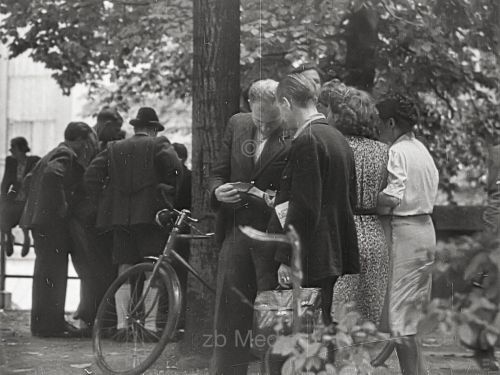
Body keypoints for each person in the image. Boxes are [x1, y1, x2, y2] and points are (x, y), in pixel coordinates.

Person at [209, 79, 294, 375]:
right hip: (236, 231)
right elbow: (218, 172)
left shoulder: (296, 134)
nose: (266, 127)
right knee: (230, 313)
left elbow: (294, 192)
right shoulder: (237, 124)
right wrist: (217, 192)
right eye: (261, 121)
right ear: (249, 109)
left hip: (273, 237)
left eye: (272, 122)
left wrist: (270, 198)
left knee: (275, 318)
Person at [85, 107, 182, 341]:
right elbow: (177, 171)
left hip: (119, 219)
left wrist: (106, 202)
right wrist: (167, 195)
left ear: (135, 127)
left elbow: (91, 176)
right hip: (150, 218)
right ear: (152, 129)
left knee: (124, 268)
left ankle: (122, 325)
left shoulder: (114, 148)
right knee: (153, 269)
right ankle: (149, 326)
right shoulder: (158, 145)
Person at [269, 73, 359, 326]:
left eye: (280, 108)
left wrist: (287, 258)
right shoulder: (337, 138)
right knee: (322, 329)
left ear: (286, 103)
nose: (281, 116)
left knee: (302, 334)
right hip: (332, 251)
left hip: (310, 254)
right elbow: (349, 199)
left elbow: (305, 207)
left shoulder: (307, 140)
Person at [374, 95, 439, 375]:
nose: (378, 129)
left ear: (390, 122)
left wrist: (366, 200)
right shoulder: (421, 148)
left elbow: (393, 196)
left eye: (380, 124)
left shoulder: (398, 151)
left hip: (407, 232)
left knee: (401, 317)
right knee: (410, 315)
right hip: (426, 229)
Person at [20, 122, 98, 337]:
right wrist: (61, 204)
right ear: (81, 140)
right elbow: (53, 175)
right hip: (52, 224)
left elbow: (28, 181)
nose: (91, 143)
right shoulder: (66, 154)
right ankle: (51, 326)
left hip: (41, 223)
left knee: (46, 273)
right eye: (90, 139)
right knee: (54, 273)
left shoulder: (53, 152)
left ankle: (44, 324)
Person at [323, 82, 389, 325]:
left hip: (341, 232)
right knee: (367, 313)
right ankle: (361, 361)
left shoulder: (334, 146)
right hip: (373, 233)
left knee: (337, 311)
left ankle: (334, 361)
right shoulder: (384, 151)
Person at [0, 137, 40, 257]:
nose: (11, 150)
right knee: (3, 212)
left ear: (20, 149)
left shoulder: (34, 161)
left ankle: (27, 239)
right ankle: (9, 237)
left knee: (26, 213)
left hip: (28, 198)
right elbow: (6, 181)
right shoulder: (10, 161)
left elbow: (37, 180)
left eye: (13, 147)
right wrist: (3, 198)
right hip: (14, 196)